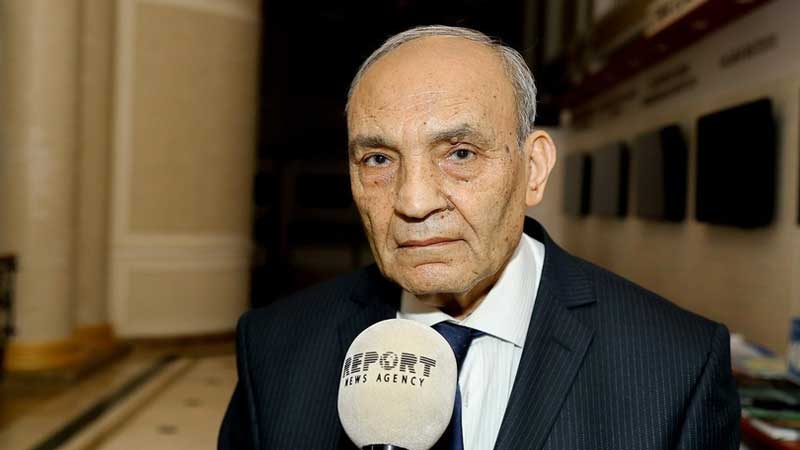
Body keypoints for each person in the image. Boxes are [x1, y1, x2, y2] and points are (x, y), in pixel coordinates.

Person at [219, 25, 740, 450]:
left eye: (460, 153)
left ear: (534, 168)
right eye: (378, 159)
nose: (414, 201)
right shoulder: (275, 349)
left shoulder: (677, 367)